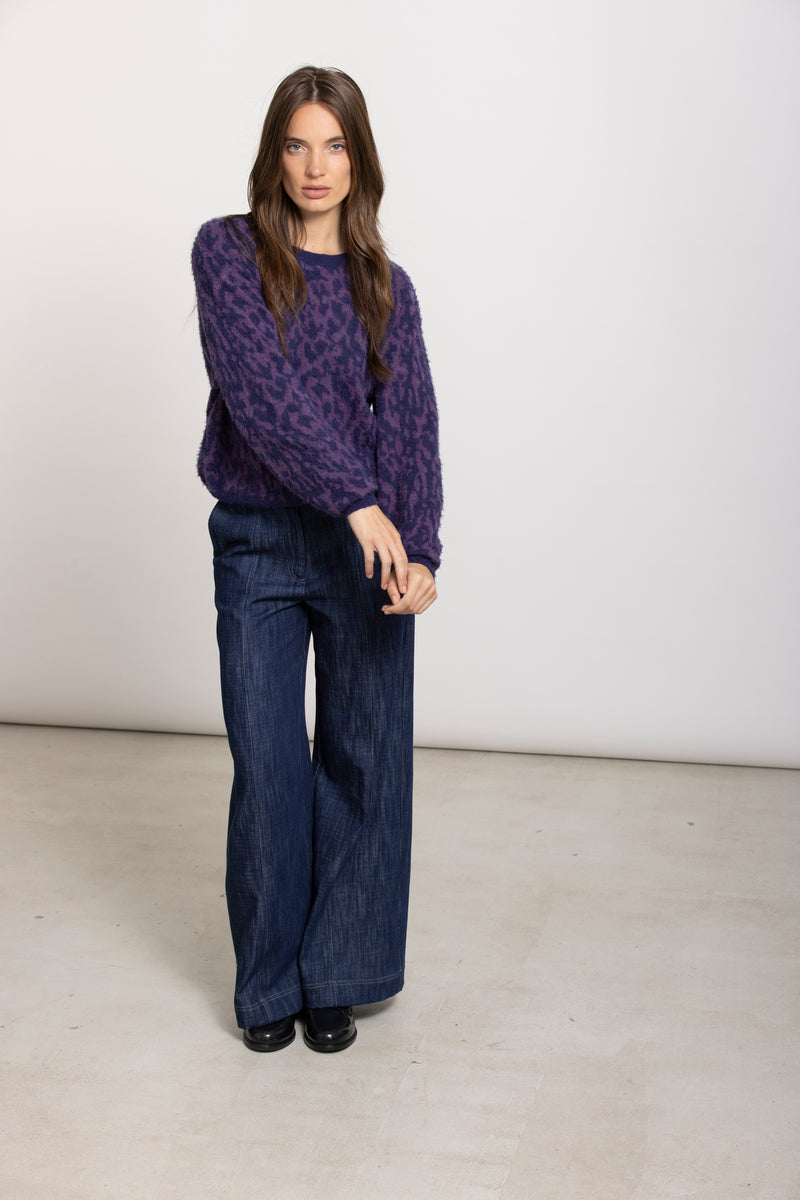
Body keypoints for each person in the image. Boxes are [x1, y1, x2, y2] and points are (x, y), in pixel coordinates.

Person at [191, 66, 443, 1054]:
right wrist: (357, 501)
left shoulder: (387, 287)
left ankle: (336, 972)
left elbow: (409, 424)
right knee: (269, 770)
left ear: (359, 159)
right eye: (296, 144)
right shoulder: (228, 253)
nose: (314, 166)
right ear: (274, 154)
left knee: (365, 764)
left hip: (364, 554)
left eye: (334, 146)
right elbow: (261, 397)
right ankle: (267, 984)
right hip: (260, 541)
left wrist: (418, 548)